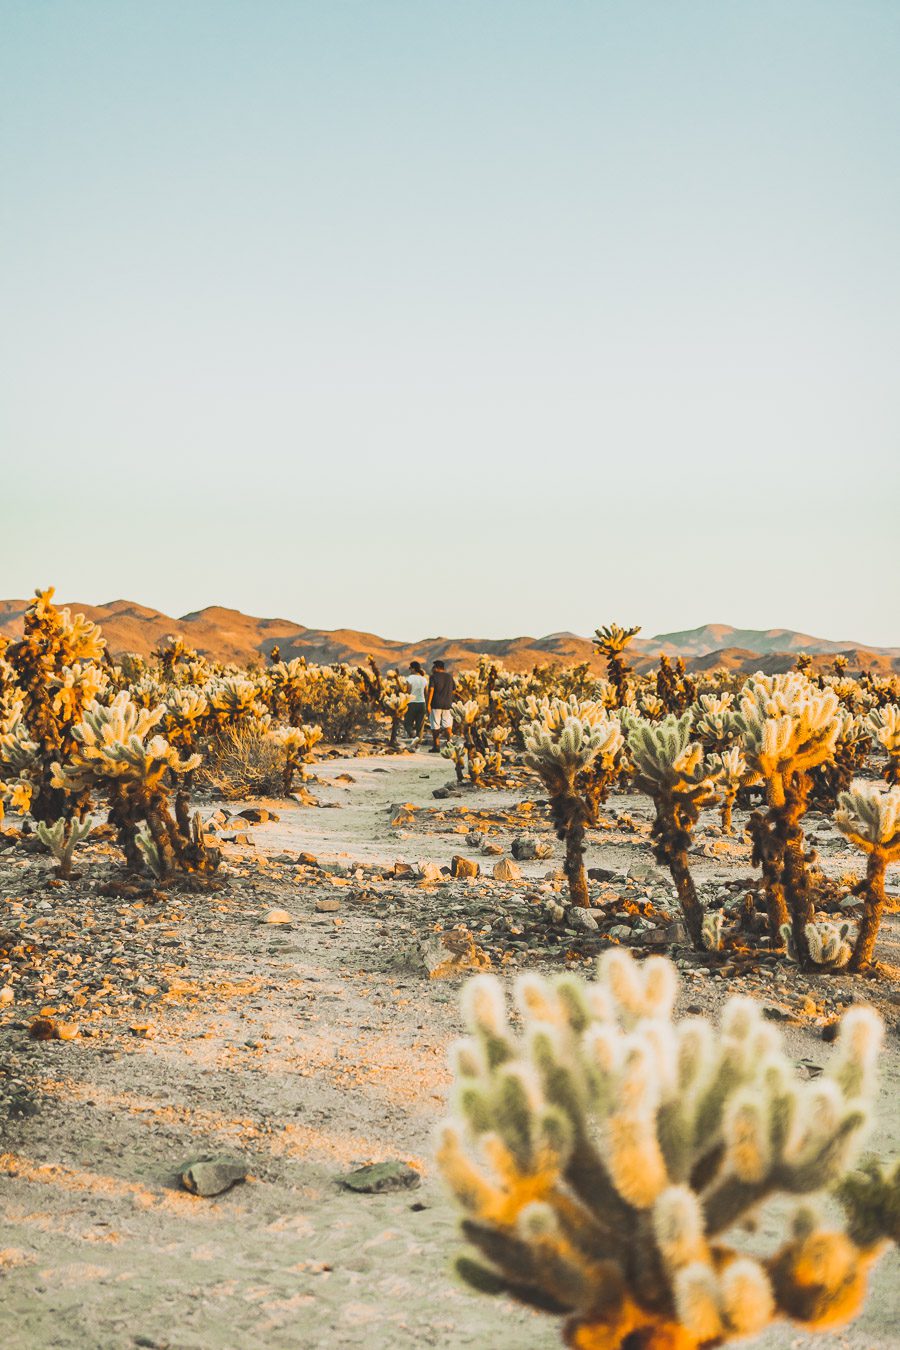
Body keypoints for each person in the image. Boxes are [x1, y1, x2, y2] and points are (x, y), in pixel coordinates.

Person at [426, 659, 455, 752]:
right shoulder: (449, 677)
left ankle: (436, 746)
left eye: (433, 667)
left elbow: (431, 690)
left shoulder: (433, 677)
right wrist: (448, 697)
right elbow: (454, 690)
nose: (432, 669)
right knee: (447, 725)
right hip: (448, 704)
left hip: (436, 704)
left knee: (435, 725)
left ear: (437, 668)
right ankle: (449, 743)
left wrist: (428, 704)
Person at [403, 661, 428, 744]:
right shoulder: (424, 679)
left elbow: (408, 691)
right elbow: (426, 693)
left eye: (410, 668)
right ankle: (418, 742)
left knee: (407, 723)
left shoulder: (410, 678)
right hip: (422, 703)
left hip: (412, 703)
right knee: (420, 725)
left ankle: (413, 735)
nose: (409, 670)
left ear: (413, 669)